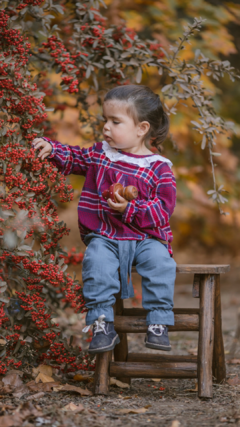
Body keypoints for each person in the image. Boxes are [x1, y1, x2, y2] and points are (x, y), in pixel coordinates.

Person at [32, 84, 177, 354]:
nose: (106, 127)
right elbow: (74, 157)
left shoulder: (158, 168)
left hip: (146, 239)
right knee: (96, 261)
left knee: (161, 264)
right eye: (105, 120)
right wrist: (52, 149)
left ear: (142, 128)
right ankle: (101, 323)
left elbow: (163, 210)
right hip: (106, 236)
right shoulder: (101, 154)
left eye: (115, 121)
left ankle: (158, 321)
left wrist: (129, 210)